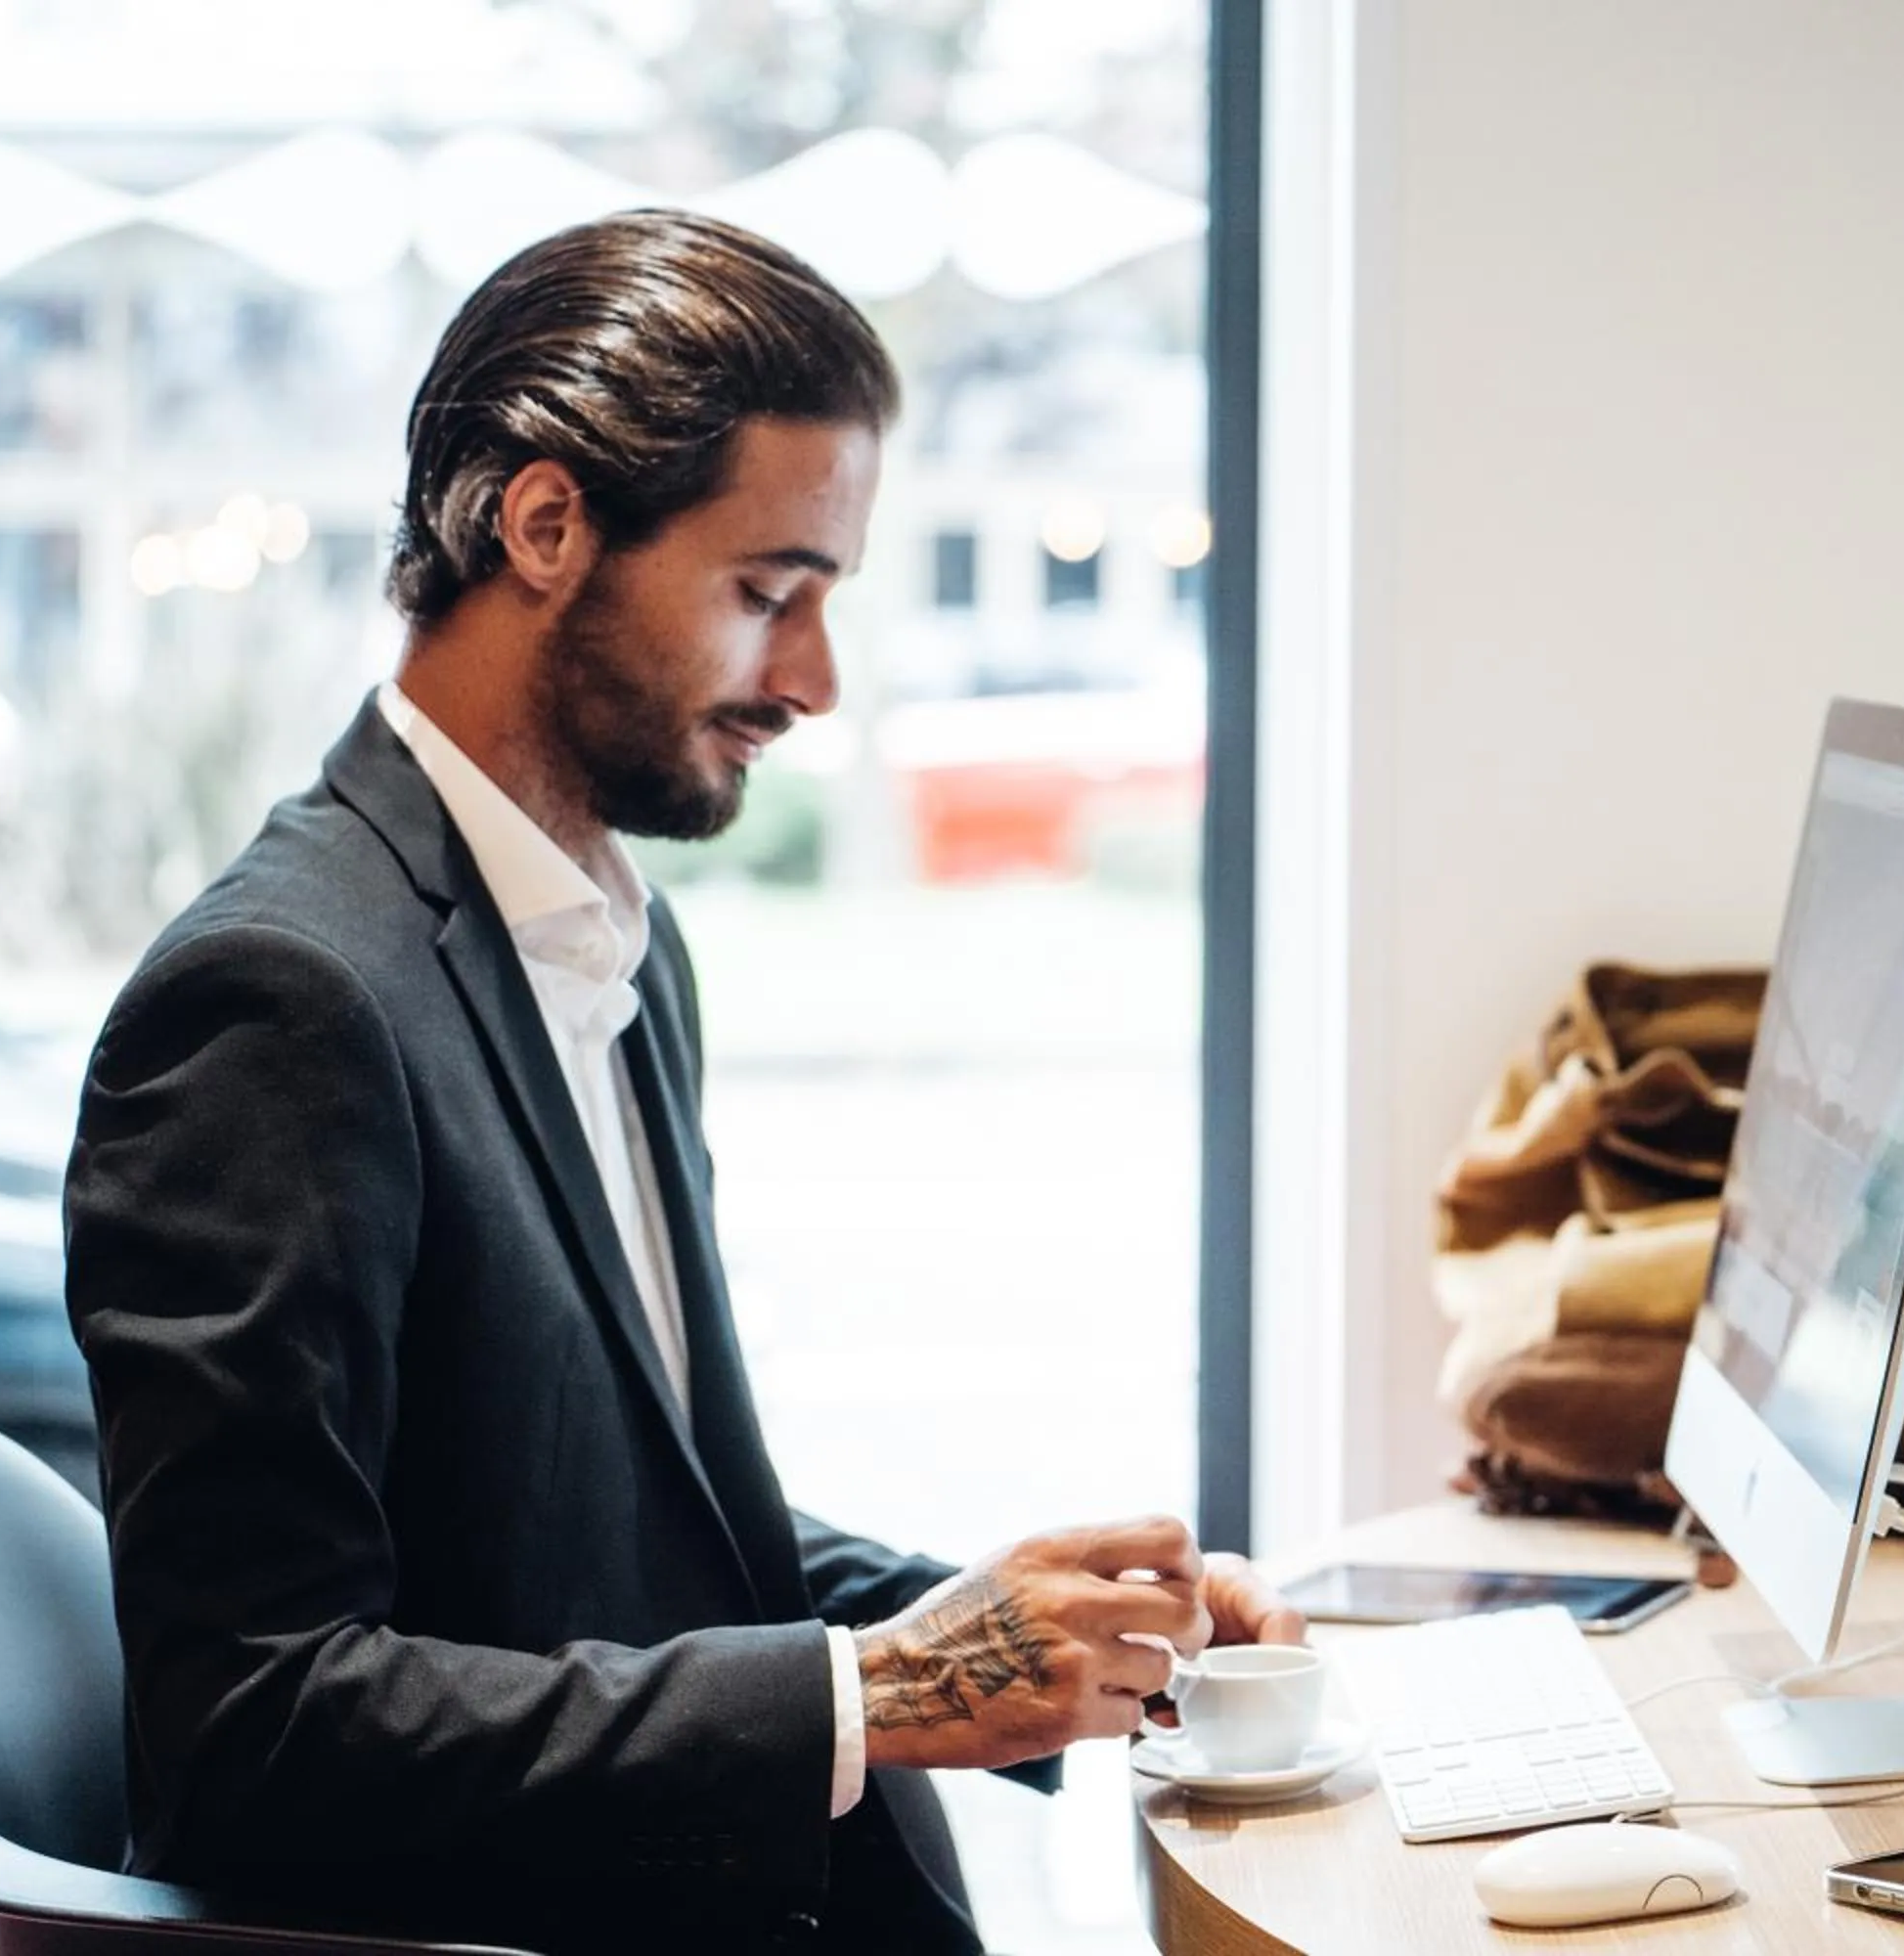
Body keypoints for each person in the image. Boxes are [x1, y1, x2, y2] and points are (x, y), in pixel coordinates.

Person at [63, 209, 1300, 1956]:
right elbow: (249, 1732)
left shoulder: (612, 950)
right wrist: (874, 1695)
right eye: (766, 594)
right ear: (547, 522)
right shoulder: (277, 1006)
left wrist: (1066, 1630)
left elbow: (643, 1531)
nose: (811, 683)